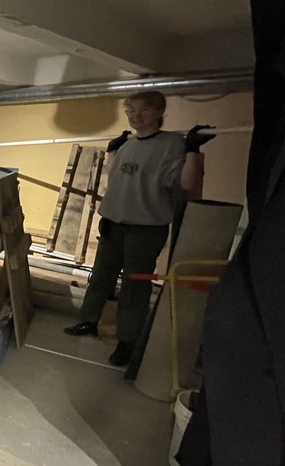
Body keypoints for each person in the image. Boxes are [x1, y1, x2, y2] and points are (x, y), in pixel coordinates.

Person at [64, 91, 213, 366]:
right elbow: (118, 179)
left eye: (142, 110)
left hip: (145, 228)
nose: (135, 116)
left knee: (135, 285)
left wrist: (192, 150)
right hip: (114, 222)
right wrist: (112, 150)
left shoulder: (171, 144)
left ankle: (127, 341)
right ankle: (89, 321)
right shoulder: (129, 145)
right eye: (130, 111)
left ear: (159, 112)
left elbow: (187, 184)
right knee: (101, 275)